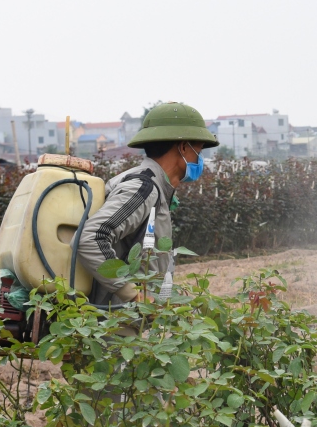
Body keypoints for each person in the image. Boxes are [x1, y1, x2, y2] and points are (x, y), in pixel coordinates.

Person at [79, 101, 217, 305]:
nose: (200, 159)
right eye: (199, 150)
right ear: (183, 147)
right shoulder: (143, 188)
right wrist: (132, 294)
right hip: (113, 323)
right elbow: (91, 237)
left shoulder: (153, 187)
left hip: (128, 322)